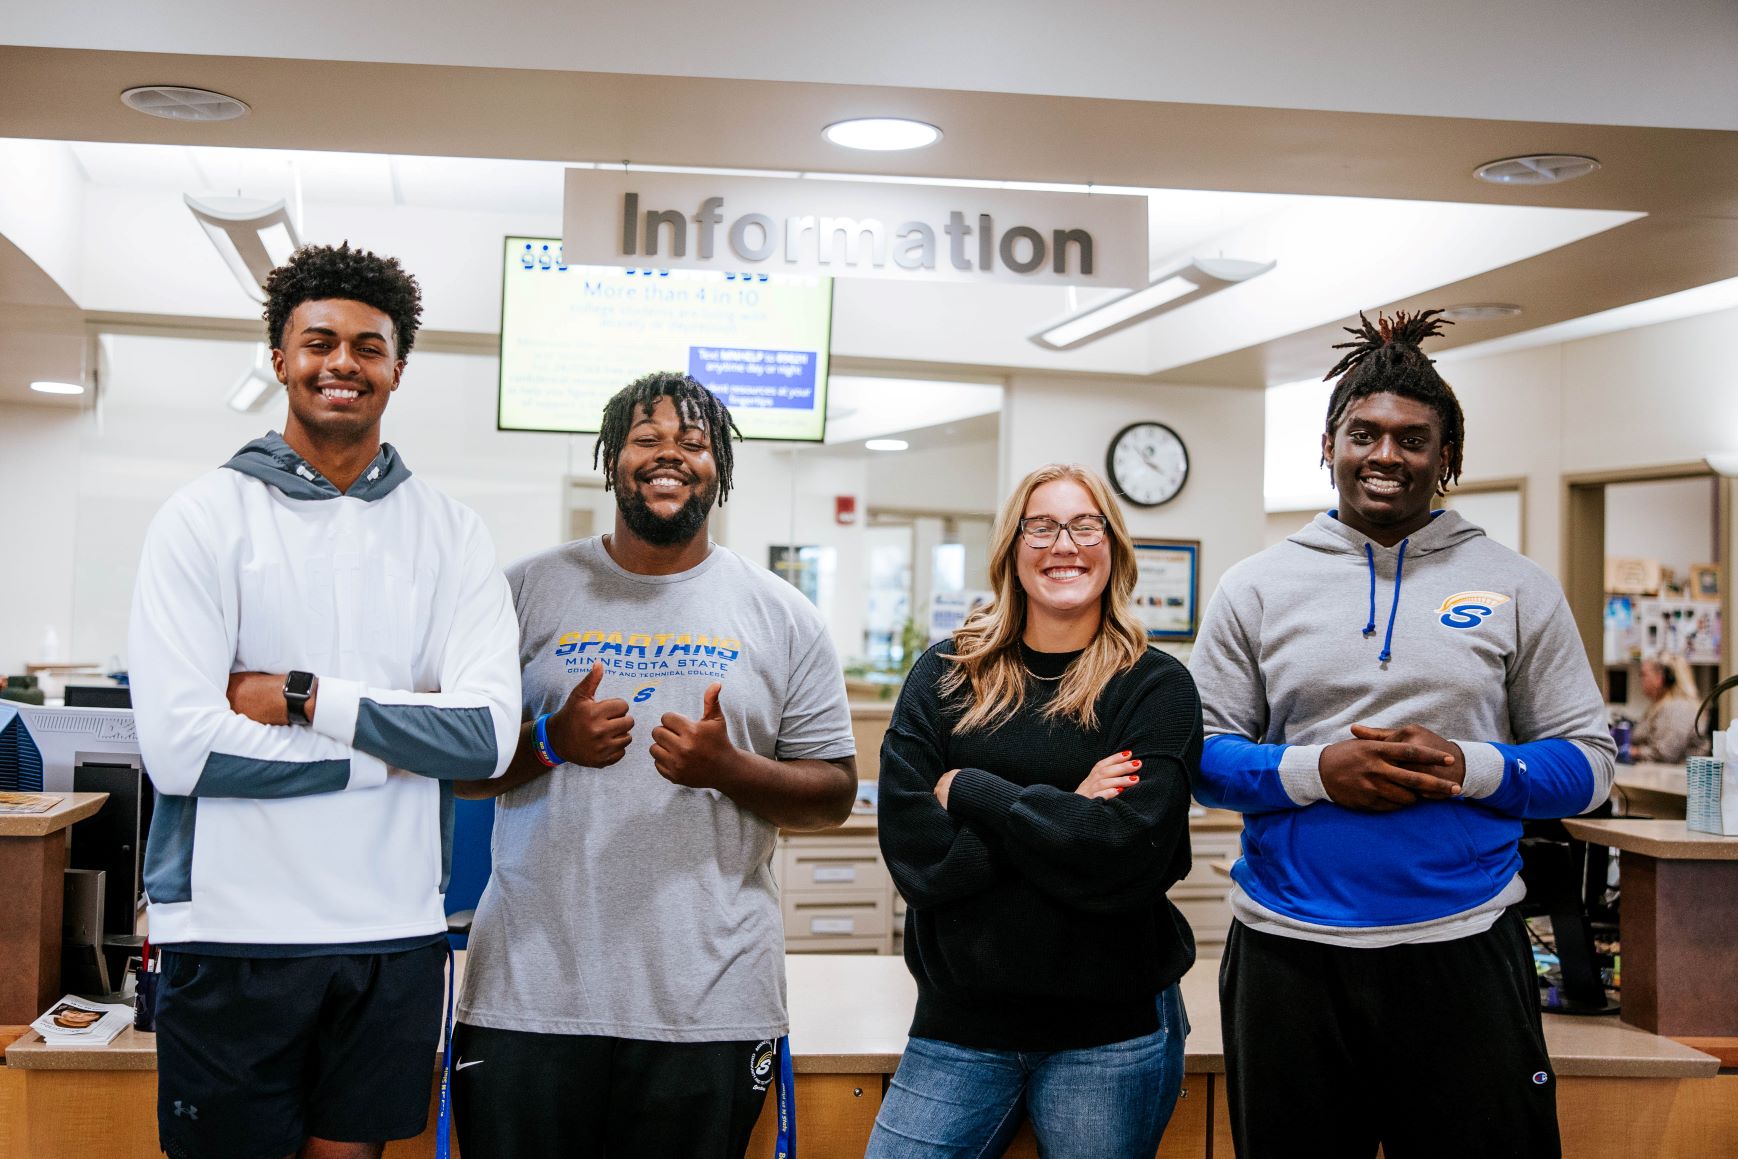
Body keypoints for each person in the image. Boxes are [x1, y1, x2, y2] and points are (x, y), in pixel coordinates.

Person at [1189, 310, 1616, 1159]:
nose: (1385, 455)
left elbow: (1590, 764)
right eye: (1364, 434)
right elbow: (1201, 756)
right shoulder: (1257, 587)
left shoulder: (1517, 586)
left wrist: (1472, 765)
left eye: (1413, 440)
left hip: (1464, 946)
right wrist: (1319, 771)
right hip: (1289, 950)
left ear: (1447, 458)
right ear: (1329, 444)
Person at [128, 243, 522, 1159]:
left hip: (394, 930)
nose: (342, 362)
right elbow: (184, 750)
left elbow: (484, 740)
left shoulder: (452, 535)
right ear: (280, 359)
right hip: (231, 929)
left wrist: (303, 696)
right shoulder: (204, 518)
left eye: (367, 346)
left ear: (396, 368)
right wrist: (394, 746)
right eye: (319, 341)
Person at [451, 371, 858, 1159]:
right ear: (612, 459)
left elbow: (833, 793)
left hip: (709, 1001)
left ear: (719, 469)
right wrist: (548, 742)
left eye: (693, 442)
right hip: (530, 998)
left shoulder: (783, 615)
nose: (669, 455)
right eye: (646, 438)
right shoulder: (523, 592)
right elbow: (458, 766)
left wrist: (730, 767)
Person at [869, 463, 1199, 1159]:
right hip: (959, 1026)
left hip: (1108, 1033)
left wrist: (971, 792)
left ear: (1113, 546)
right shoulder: (945, 674)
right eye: (1041, 526)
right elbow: (917, 859)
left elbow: (1125, 857)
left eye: (1085, 525)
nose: (1064, 545)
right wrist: (1069, 809)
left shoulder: (1155, 686)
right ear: (1011, 549)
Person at [1630, 653, 1709, 764]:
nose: (1641, 679)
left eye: (1643, 674)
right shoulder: (1661, 706)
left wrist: (1632, 752)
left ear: (1660, 678)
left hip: (1672, 778)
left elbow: (1665, 753)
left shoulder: (1679, 708)